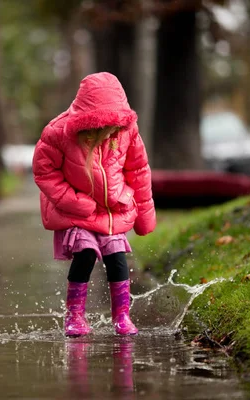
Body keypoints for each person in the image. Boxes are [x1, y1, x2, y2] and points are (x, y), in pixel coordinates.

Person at [32, 72, 156, 337]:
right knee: (86, 252)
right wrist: (74, 202)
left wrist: (145, 215)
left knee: (116, 256)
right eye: (104, 129)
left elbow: (139, 169)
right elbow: (44, 171)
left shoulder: (125, 130)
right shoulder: (59, 132)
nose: (111, 133)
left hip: (112, 211)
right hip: (78, 210)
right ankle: (74, 316)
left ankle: (122, 315)